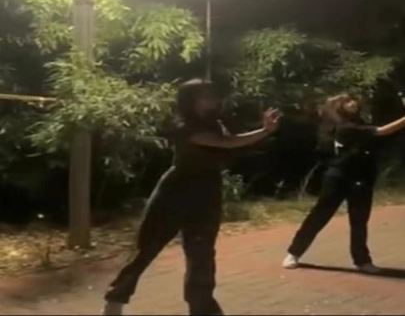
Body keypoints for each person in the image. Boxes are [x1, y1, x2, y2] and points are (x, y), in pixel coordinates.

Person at [103, 79, 280, 316]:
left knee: (202, 256)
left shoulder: (215, 124)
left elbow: (230, 143)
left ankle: (203, 309)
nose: (213, 99)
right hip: (175, 192)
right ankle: (116, 299)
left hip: (207, 193)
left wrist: (261, 131)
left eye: (213, 94)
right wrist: (265, 131)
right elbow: (227, 144)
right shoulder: (184, 127)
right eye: (206, 95)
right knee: (147, 248)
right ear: (191, 101)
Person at [282, 93, 405, 274]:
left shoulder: (360, 123)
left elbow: (381, 136)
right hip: (339, 177)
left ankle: (362, 261)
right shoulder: (344, 127)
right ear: (339, 107)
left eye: (353, 100)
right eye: (347, 101)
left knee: (359, 221)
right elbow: (382, 131)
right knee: (319, 216)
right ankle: (294, 253)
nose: (353, 103)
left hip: (362, 178)